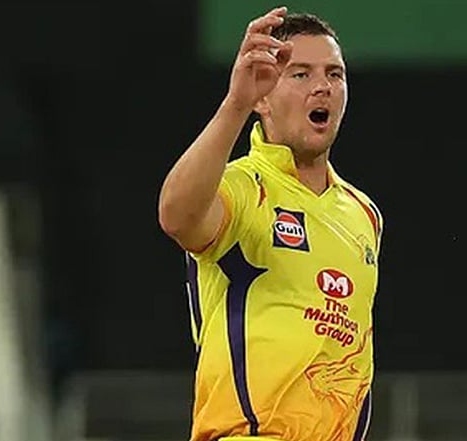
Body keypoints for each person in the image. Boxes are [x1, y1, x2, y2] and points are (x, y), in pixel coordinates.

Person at [158, 6, 383, 441]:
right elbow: (176, 216)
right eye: (300, 74)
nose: (322, 86)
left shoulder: (364, 214)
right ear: (262, 97)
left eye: (334, 74)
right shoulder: (243, 187)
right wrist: (235, 104)